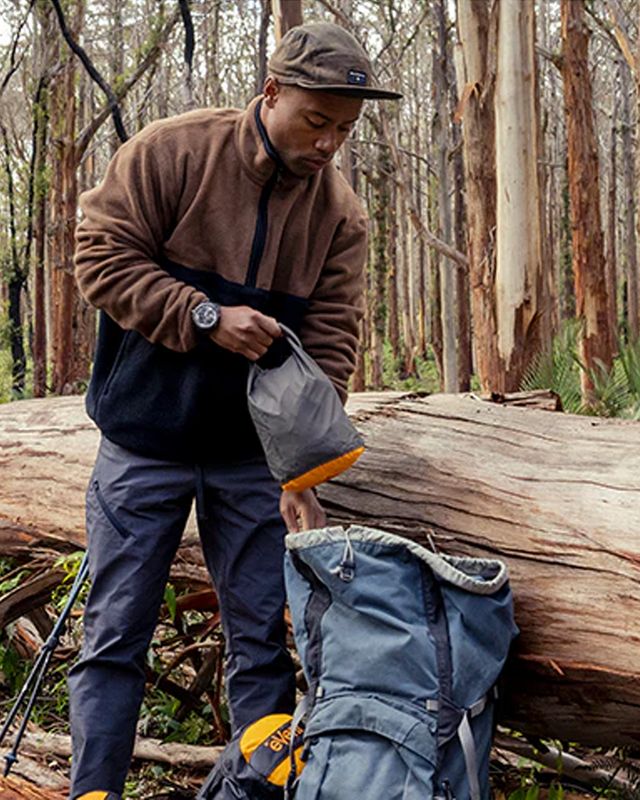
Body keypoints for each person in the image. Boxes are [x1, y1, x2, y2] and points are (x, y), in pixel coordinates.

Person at [68, 22, 401, 800]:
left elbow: (330, 344)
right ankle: (92, 791)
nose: (329, 144)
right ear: (272, 92)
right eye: (317, 121)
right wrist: (207, 316)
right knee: (116, 633)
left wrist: (303, 467)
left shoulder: (339, 216)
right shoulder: (172, 152)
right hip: (142, 442)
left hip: (250, 458)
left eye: (344, 130)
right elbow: (99, 256)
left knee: (260, 640)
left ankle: (254, 792)